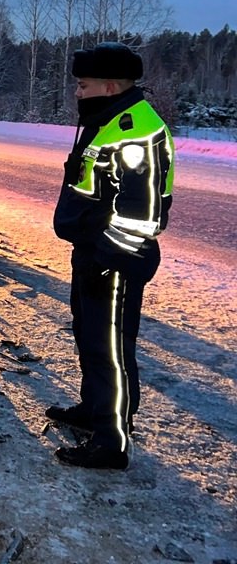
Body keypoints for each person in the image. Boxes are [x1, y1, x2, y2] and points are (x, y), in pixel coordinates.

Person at [48, 41, 175, 470]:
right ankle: (96, 410)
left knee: (111, 350)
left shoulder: (136, 130)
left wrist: (107, 256)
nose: (77, 92)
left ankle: (112, 441)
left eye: (82, 85)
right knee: (90, 337)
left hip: (114, 261)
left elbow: (144, 215)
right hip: (92, 253)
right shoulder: (105, 121)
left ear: (109, 84)